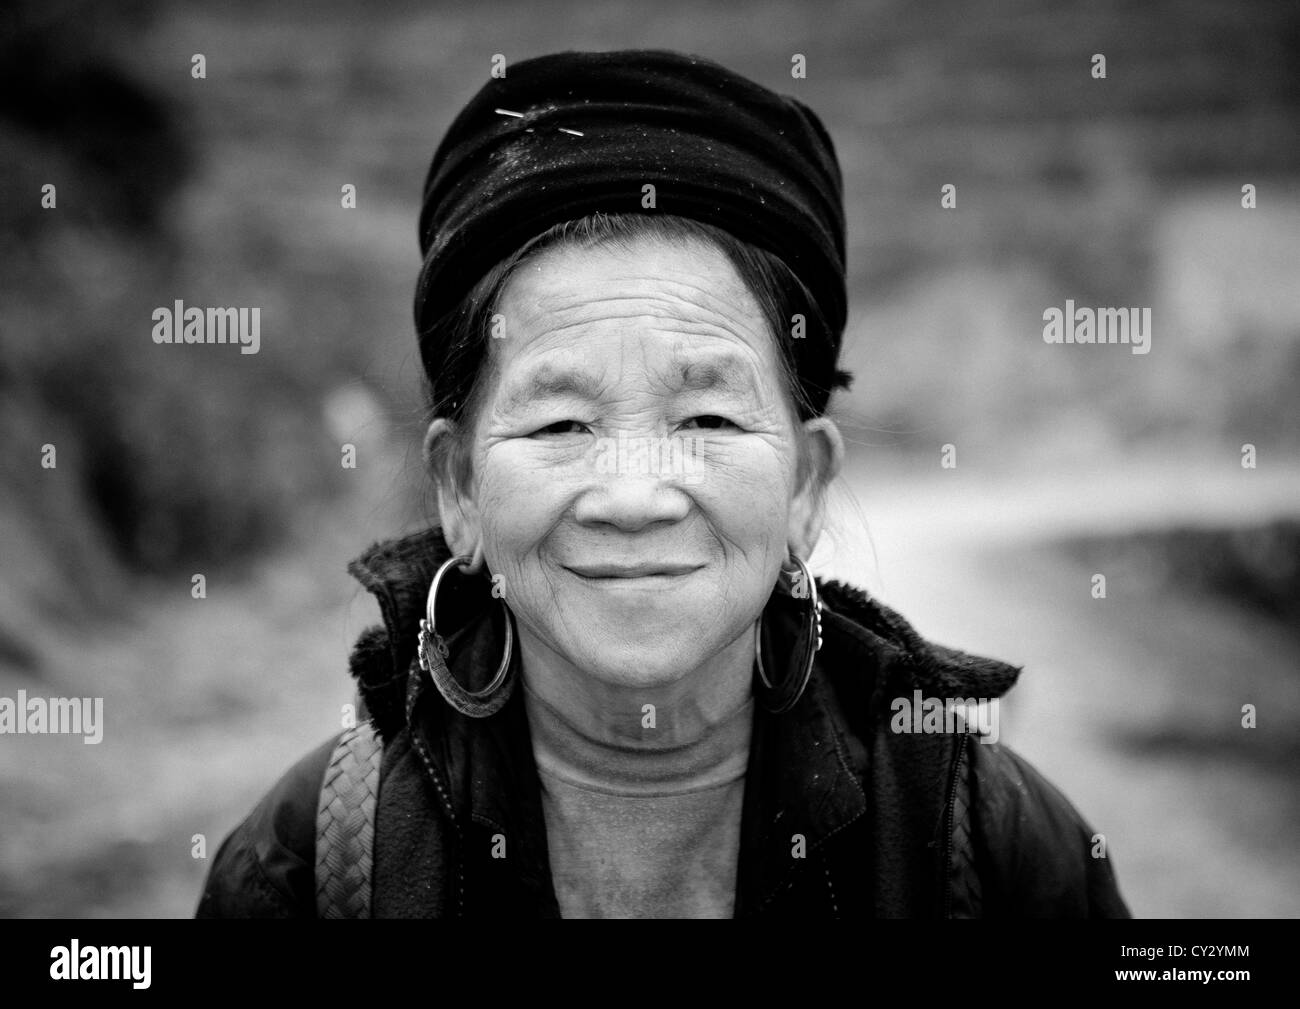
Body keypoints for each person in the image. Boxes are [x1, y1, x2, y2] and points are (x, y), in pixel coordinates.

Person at [196, 49, 1129, 918]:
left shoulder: (984, 839)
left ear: (805, 484)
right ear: (459, 489)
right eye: (562, 423)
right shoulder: (316, 862)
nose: (636, 498)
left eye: (709, 420)